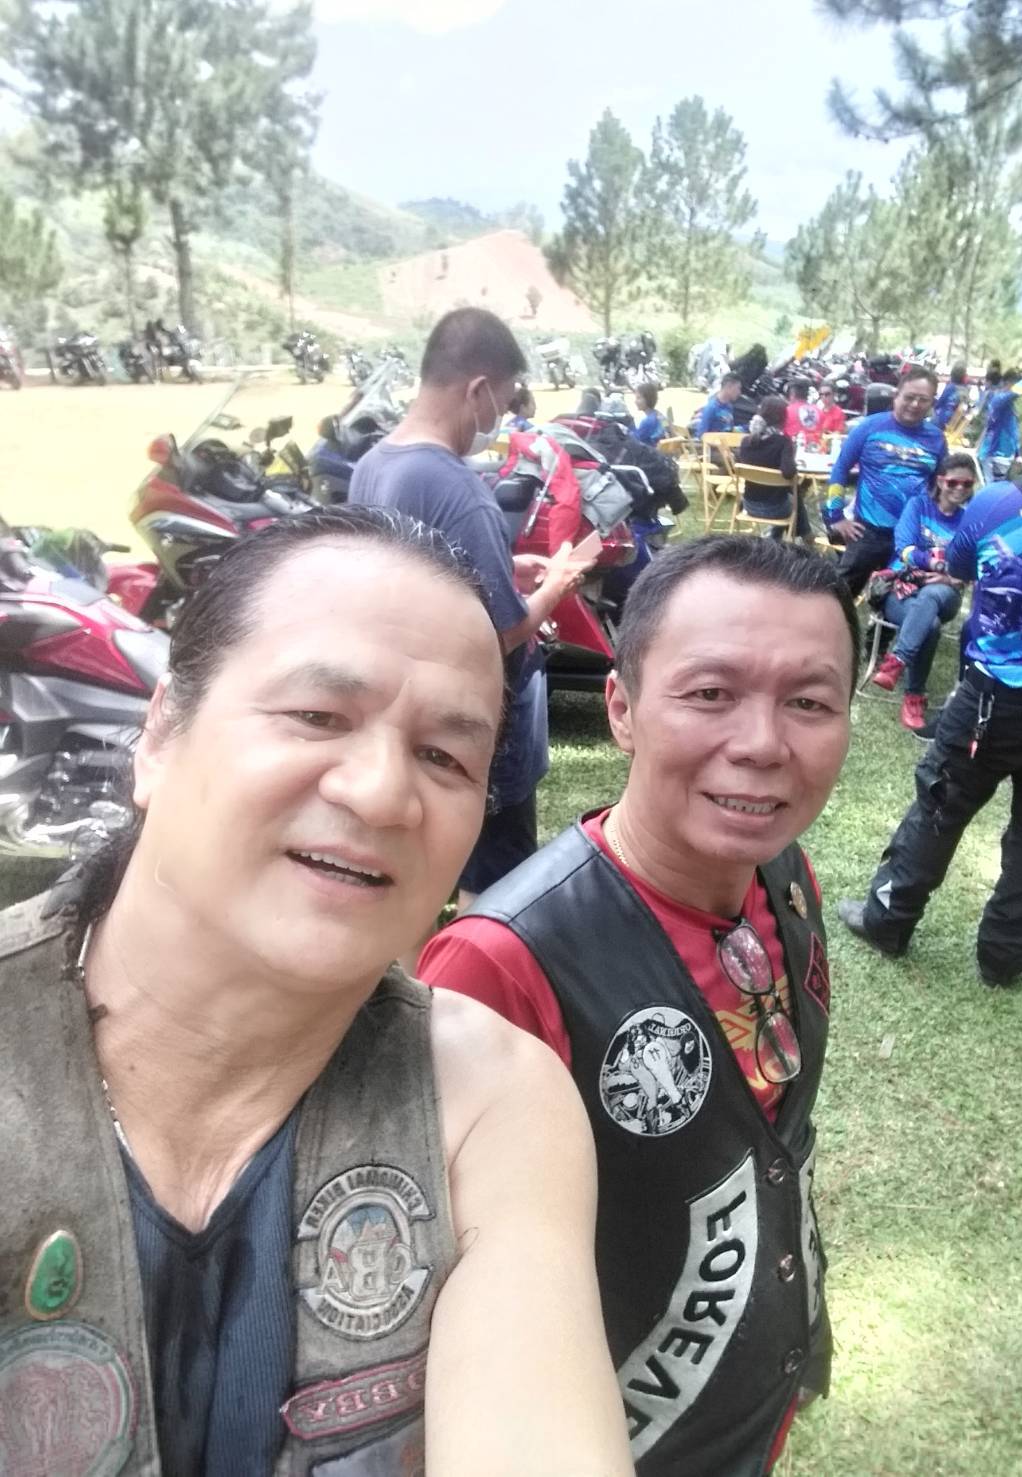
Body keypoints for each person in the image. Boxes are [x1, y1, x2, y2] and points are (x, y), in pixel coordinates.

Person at [0, 507, 633, 1477]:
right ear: (160, 733)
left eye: (444, 756)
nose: (381, 792)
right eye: (316, 715)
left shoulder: (485, 1102)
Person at [419, 536, 862, 1476]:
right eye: (711, 693)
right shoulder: (501, 963)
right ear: (621, 708)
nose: (762, 743)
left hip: (746, 1389)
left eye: (809, 702)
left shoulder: (783, 875)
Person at [839, 361, 1022, 986]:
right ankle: (1005, 955)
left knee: (941, 804)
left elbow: (958, 568)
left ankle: (889, 920)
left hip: (995, 699)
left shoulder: (998, 502)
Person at [349, 307, 593, 905]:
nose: (500, 418)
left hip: (408, 699)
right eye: (504, 403)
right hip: (480, 716)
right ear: (478, 390)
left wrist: (506, 566)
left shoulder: (374, 465)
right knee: (494, 880)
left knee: (420, 860)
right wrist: (556, 586)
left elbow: (420, 569)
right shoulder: (460, 491)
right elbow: (501, 632)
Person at [868, 451, 976, 730]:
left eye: (967, 484)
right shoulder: (917, 506)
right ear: (940, 481)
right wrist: (939, 566)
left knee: (932, 595)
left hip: (946, 593)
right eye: (953, 482)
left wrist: (949, 578)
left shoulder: (969, 520)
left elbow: (972, 567)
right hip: (902, 588)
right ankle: (914, 695)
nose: (960, 489)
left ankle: (897, 661)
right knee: (930, 625)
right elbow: (904, 548)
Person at [822, 366, 947, 595]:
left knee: (898, 598)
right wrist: (836, 517)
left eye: (923, 400)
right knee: (841, 596)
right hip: (867, 531)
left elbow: (940, 486)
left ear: (932, 402)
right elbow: (840, 469)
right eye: (909, 397)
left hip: (910, 536)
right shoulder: (869, 427)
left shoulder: (937, 439)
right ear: (896, 395)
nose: (915, 405)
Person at [737, 394, 813, 539]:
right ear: (781, 418)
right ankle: (804, 535)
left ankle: (778, 537)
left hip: (749, 505)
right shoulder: (782, 442)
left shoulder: (746, 441)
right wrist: (791, 457)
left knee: (793, 496)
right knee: (795, 497)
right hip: (776, 508)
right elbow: (789, 473)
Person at [978, 367, 1022, 481]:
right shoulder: (1000, 400)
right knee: (994, 488)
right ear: (1008, 383)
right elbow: (1018, 391)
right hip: (996, 454)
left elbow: (1013, 431)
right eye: (1016, 384)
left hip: (1004, 455)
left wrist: (1018, 454)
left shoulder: (1008, 405)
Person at [694, 371, 743, 436]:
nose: (739, 392)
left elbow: (730, 430)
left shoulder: (729, 407)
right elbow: (701, 435)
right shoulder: (711, 408)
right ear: (729, 386)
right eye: (738, 388)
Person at [783, 379, 820, 447]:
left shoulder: (787, 411)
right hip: (815, 448)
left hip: (792, 448)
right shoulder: (818, 410)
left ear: (792, 394)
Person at [934, 363, 968, 430]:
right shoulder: (966, 389)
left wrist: (935, 406)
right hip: (957, 421)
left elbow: (940, 402)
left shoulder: (950, 387)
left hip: (945, 419)